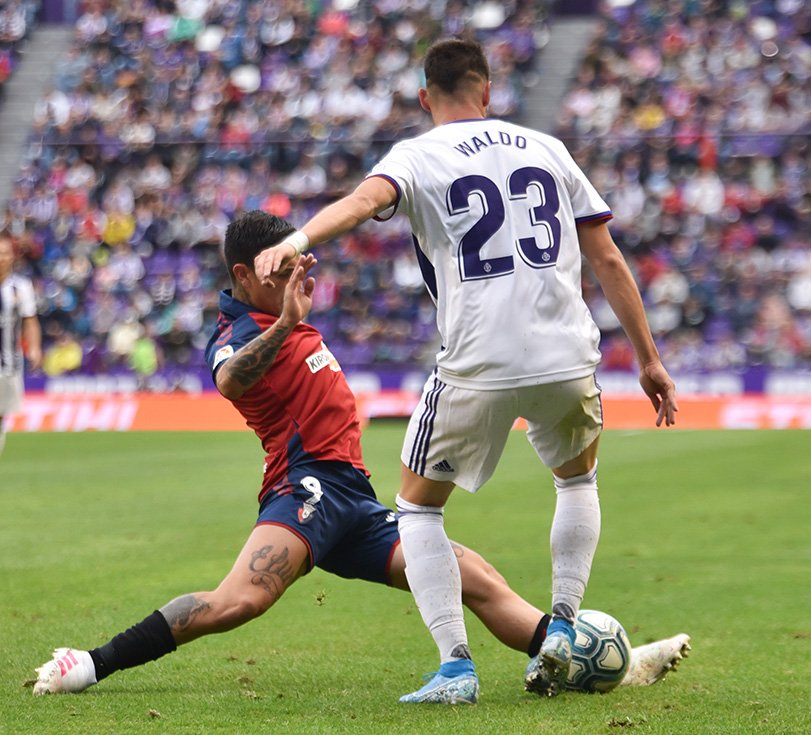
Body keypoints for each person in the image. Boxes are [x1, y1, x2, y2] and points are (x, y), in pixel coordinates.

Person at [32, 211, 690, 698]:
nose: (298, 276)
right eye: (282, 269)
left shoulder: (283, 312)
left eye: (299, 264)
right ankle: (89, 663)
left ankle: (596, 662)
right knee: (240, 601)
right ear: (242, 275)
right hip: (306, 491)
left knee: (476, 576)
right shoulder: (236, 331)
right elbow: (230, 381)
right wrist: (289, 321)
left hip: (354, 498)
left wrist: (291, 310)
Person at [253, 38, 678, 704]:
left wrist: (297, 240)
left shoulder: (416, 155)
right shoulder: (546, 148)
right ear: (487, 90)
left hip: (479, 357)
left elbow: (363, 204)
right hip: (567, 354)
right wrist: (649, 358)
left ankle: (456, 665)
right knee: (577, 479)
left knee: (417, 511)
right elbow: (610, 259)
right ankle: (562, 626)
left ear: (425, 97)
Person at [0, 231, 41, 457]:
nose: (1, 258)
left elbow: (30, 320)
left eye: (5, 253)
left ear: (13, 256)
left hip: (9, 364)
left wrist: (34, 348)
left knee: (1, 414)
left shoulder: (21, 287)